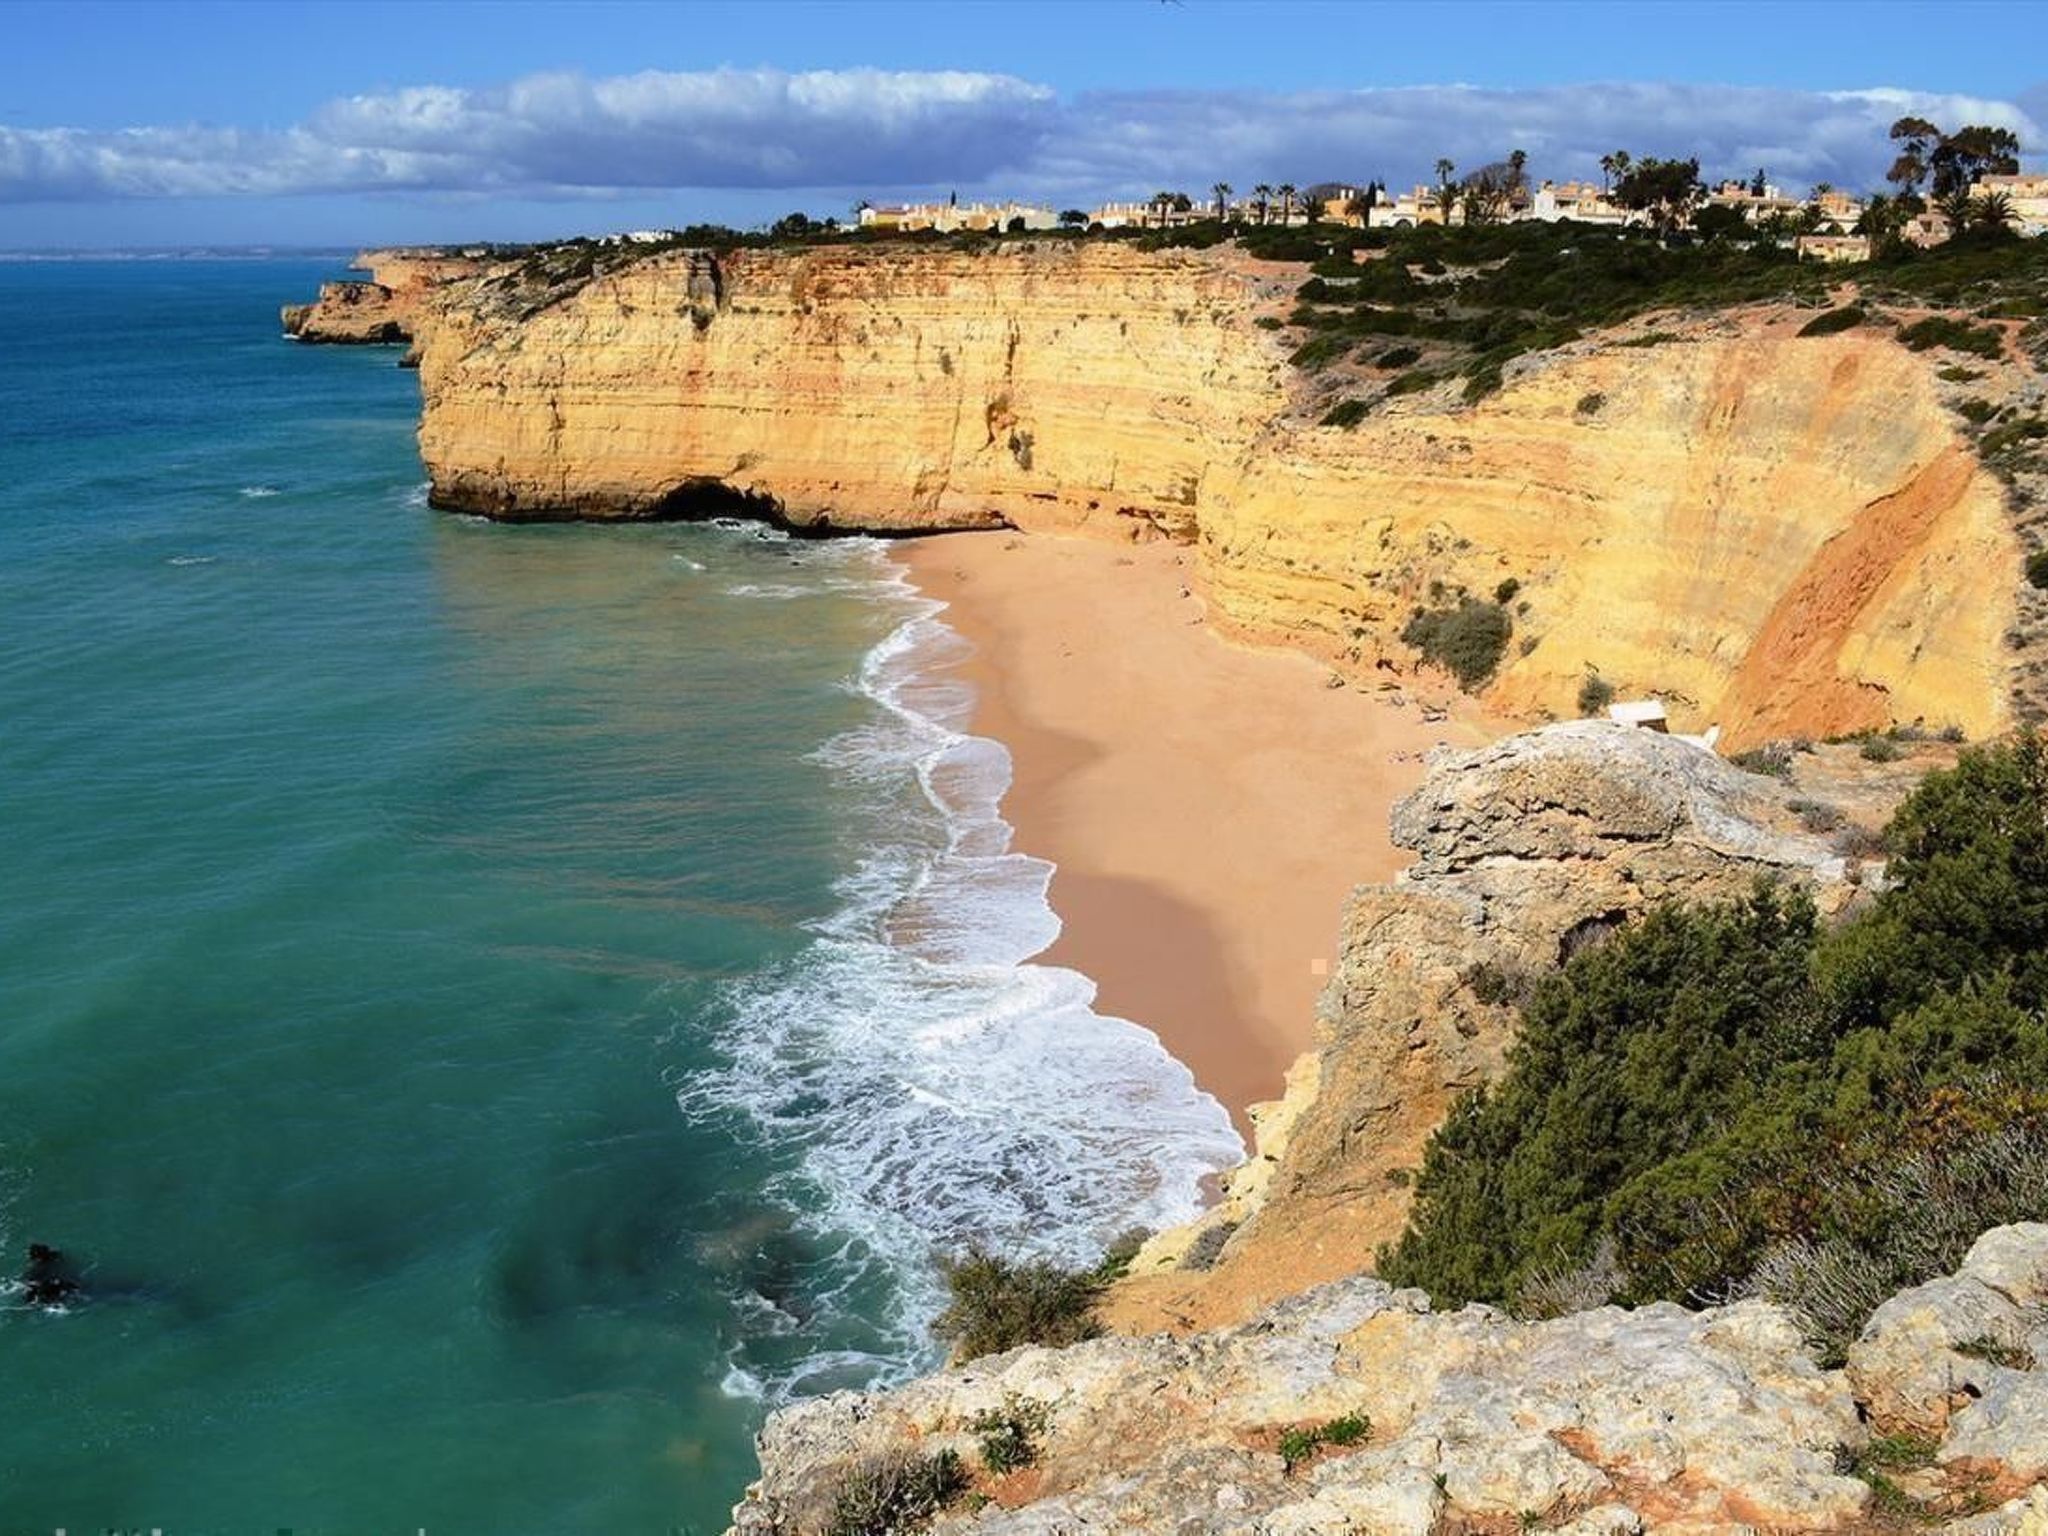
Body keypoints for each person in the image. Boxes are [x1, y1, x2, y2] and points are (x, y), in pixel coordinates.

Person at [21, 1242, 80, 1308]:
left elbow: (31, 1281)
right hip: (61, 1284)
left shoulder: (36, 1268)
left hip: (50, 1288)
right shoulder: (56, 1259)